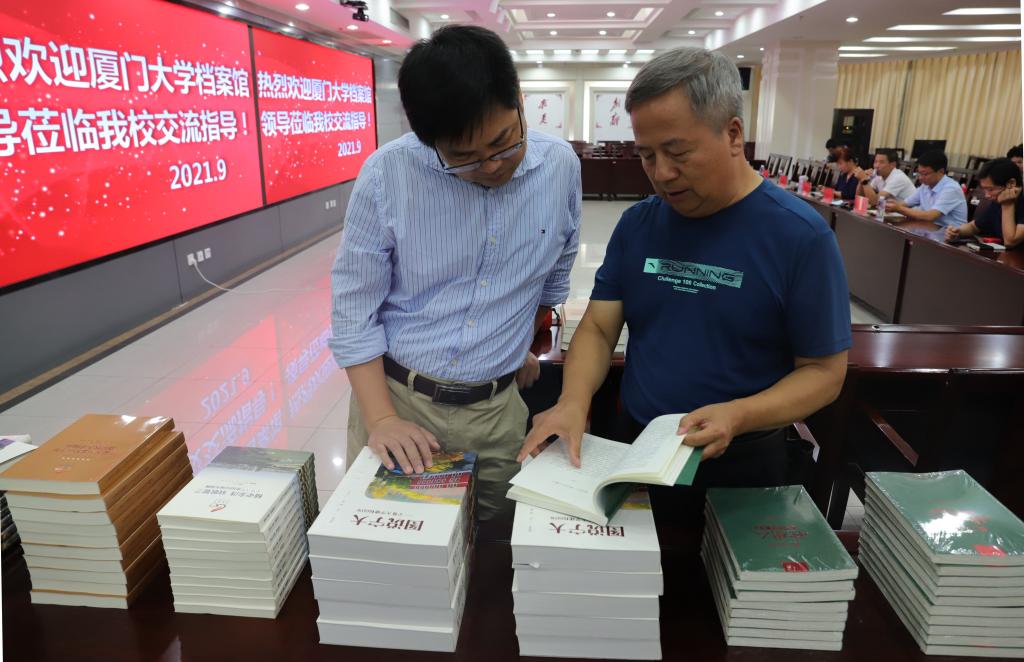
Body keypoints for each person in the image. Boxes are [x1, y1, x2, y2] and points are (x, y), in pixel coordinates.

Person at [519, 48, 850, 503]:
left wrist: (738, 414)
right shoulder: (639, 224)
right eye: (647, 155)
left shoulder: (800, 237)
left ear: (733, 134)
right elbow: (598, 328)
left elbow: (824, 373)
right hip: (637, 445)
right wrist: (573, 402)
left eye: (678, 152)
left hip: (742, 458)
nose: (662, 173)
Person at [329, 25, 582, 520]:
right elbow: (353, 311)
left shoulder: (560, 167)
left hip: (497, 413)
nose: (491, 166)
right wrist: (381, 419)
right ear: (429, 142)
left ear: (520, 101)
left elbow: (552, 276)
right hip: (399, 402)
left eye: (504, 143)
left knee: (495, 541)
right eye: (463, 159)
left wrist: (520, 343)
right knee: (396, 541)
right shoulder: (387, 174)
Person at [946, 158, 1024, 248]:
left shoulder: (1007, 201)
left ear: (1011, 183)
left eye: (990, 189)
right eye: (985, 189)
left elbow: (1010, 241)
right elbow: (974, 227)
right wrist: (957, 231)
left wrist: (1007, 205)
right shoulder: (997, 201)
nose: (987, 195)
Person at [887, 150, 967, 229]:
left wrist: (899, 209)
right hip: (929, 229)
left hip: (951, 233)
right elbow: (905, 204)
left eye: (925, 174)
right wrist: (890, 205)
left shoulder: (951, 188)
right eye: (919, 173)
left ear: (941, 171)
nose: (920, 178)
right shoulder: (925, 186)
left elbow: (930, 216)